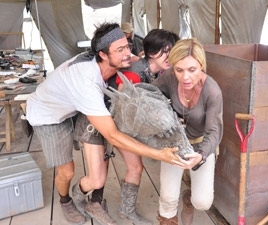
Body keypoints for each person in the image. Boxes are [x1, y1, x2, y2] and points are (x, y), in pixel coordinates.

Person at [26, 22, 187, 225]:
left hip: (77, 108)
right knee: (68, 171)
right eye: (120, 50)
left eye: (128, 46)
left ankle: (99, 203)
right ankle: (67, 200)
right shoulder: (87, 83)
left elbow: (138, 62)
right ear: (103, 54)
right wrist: (157, 153)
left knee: (113, 164)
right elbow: (112, 133)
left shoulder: (120, 62)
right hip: (48, 113)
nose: (128, 53)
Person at [110, 28, 179, 225]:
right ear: (150, 53)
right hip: (119, 126)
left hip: (135, 125)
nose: (169, 56)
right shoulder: (133, 75)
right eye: (164, 51)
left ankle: (125, 209)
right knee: (136, 167)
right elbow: (123, 111)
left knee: (137, 166)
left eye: (171, 51)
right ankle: (126, 210)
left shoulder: (162, 71)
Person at [151, 38, 223, 225]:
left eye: (192, 70)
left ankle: (189, 198)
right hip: (174, 142)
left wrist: (201, 155)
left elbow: (213, 131)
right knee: (167, 197)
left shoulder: (212, 92)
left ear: (201, 66)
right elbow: (152, 94)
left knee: (202, 202)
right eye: (179, 69)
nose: (185, 77)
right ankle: (168, 220)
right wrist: (167, 113)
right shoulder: (169, 77)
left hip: (200, 145)